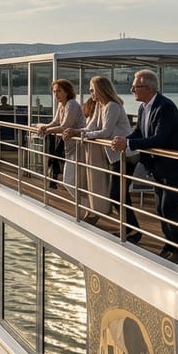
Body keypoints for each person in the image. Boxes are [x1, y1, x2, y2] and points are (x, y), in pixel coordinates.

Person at [111, 69, 178, 262]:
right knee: (160, 208)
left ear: (148, 88)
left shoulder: (165, 107)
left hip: (174, 166)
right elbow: (140, 132)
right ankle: (169, 244)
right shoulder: (144, 107)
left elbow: (159, 138)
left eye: (135, 86)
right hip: (157, 167)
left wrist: (128, 144)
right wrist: (125, 139)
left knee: (169, 207)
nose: (132, 90)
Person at [65, 76, 139, 237]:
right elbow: (92, 126)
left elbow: (105, 131)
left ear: (100, 89)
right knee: (119, 194)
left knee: (117, 194)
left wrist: (84, 136)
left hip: (126, 155)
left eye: (92, 89)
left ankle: (133, 230)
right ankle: (128, 229)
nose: (90, 93)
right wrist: (76, 132)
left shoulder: (113, 106)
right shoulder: (101, 105)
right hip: (115, 156)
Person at [36, 79, 85, 198]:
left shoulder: (71, 104)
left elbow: (64, 126)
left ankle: (86, 206)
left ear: (67, 92)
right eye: (54, 91)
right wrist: (44, 127)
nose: (56, 94)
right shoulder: (61, 104)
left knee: (70, 180)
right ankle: (86, 206)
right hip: (69, 146)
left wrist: (46, 131)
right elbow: (56, 122)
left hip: (80, 145)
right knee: (72, 180)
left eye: (59, 91)